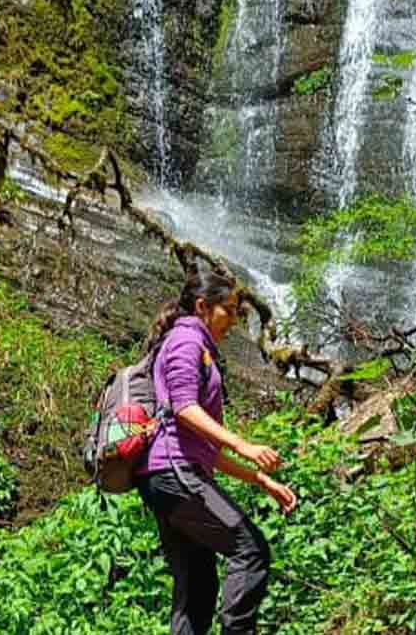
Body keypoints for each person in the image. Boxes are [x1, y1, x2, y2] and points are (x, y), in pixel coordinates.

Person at [136, 271, 299, 635]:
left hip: (170, 475)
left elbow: (202, 448)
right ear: (202, 307)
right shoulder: (186, 341)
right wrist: (243, 444)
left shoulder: (193, 345)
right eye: (230, 311)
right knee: (250, 549)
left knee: (198, 590)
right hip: (175, 474)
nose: (236, 322)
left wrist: (260, 480)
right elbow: (184, 408)